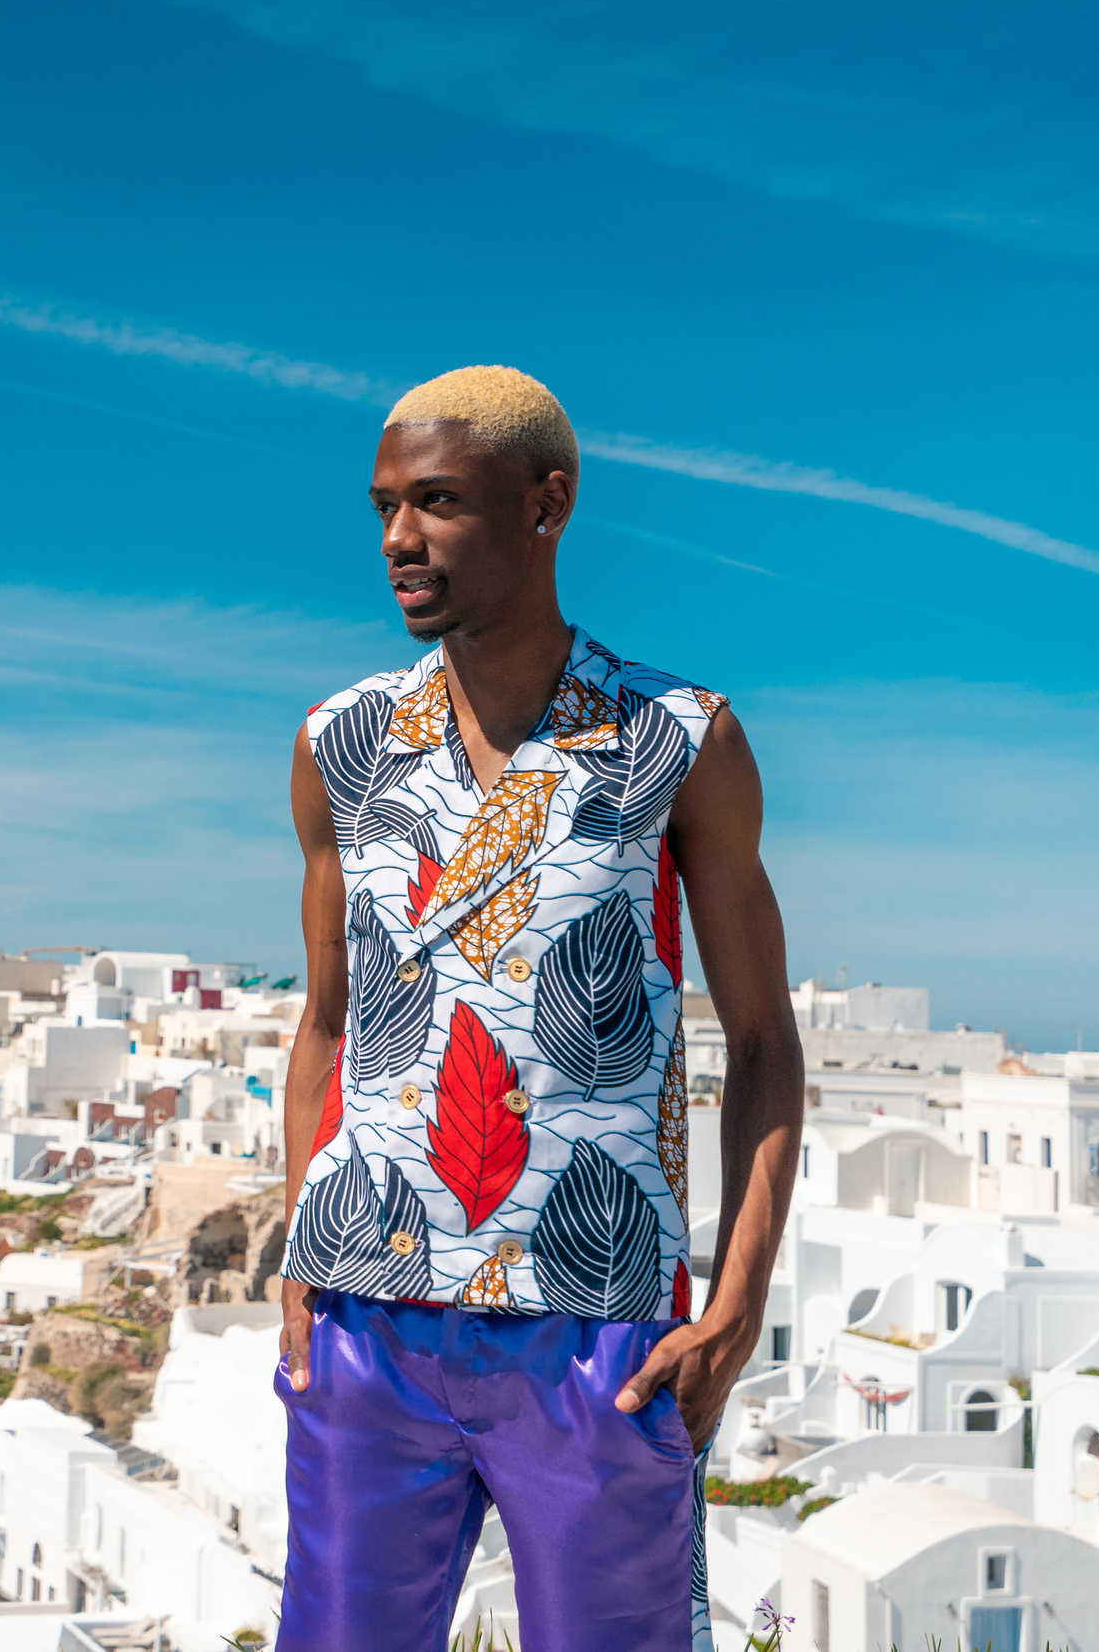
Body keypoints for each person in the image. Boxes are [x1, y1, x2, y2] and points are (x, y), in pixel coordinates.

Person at [273, 365, 805, 1651]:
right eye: (386, 505)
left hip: (596, 1323)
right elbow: (327, 1027)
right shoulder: (339, 741)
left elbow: (766, 1045)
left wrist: (735, 1298)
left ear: (545, 504)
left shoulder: (676, 738)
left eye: (439, 502)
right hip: (365, 1310)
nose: (398, 539)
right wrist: (297, 1267)